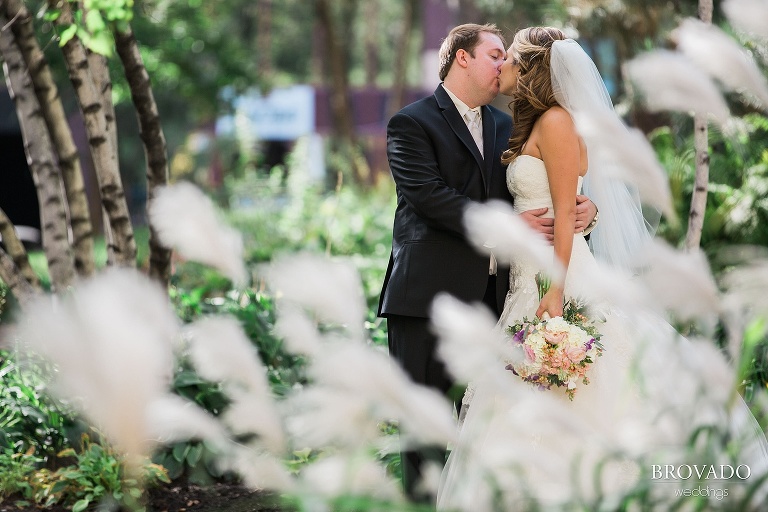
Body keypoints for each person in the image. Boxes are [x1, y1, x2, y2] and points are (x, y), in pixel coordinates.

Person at [436, 26, 768, 510]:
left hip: (558, 277)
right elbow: (562, 202)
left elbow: (567, 215)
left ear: (531, 67)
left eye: (509, 58)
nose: (502, 64)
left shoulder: (555, 121)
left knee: (590, 378)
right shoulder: (528, 124)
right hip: (524, 280)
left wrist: (555, 288)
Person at [378, 23, 598, 501]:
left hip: (501, 299)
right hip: (427, 298)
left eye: (509, 56)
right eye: (496, 54)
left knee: (491, 422)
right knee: (423, 422)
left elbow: (542, 190)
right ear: (462, 57)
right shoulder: (410, 123)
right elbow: (429, 197)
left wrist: (585, 209)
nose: (506, 64)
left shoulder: (507, 125)